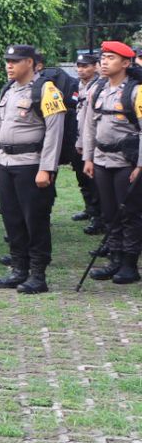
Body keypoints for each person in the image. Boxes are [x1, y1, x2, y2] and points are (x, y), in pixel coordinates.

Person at [0, 44, 66, 294]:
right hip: (7, 163)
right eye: (7, 61)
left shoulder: (46, 90)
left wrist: (47, 168)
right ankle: (18, 270)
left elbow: (55, 131)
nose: (9, 65)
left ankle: (38, 275)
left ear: (31, 63)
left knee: (35, 220)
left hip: (31, 164)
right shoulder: (8, 90)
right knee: (12, 218)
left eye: (16, 61)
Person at [82, 41, 142, 285]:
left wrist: (140, 165)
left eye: (111, 58)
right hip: (101, 160)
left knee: (129, 212)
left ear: (126, 63)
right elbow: (89, 125)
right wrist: (88, 156)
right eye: (103, 57)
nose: (104, 62)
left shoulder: (136, 92)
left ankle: (129, 264)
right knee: (109, 212)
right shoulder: (98, 89)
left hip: (126, 161)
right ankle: (114, 259)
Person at [72, 51, 104, 231]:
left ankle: (98, 217)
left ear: (95, 67)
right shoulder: (79, 85)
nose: (81, 70)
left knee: (95, 182)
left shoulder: (98, 86)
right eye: (79, 66)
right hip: (79, 138)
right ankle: (90, 210)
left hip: (93, 141)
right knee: (82, 178)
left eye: (85, 66)